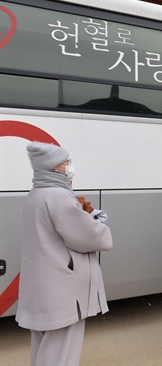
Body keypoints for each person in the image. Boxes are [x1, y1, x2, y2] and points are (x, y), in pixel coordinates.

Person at [17, 142, 113, 366]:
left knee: (43, 353)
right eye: (65, 162)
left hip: (41, 290)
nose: (69, 166)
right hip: (62, 293)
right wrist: (96, 222)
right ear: (53, 168)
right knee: (62, 356)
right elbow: (88, 237)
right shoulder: (59, 196)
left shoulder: (36, 193)